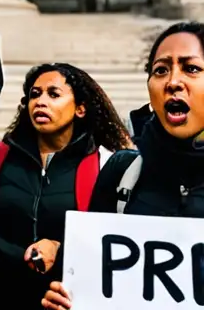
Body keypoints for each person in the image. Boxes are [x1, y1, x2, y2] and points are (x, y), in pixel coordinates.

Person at [43, 22, 204, 310]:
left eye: (191, 68)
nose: (173, 81)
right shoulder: (123, 173)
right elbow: (87, 275)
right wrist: (64, 297)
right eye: (160, 70)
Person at [0, 63, 130, 310]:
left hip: (62, 301)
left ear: (80, 109)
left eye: (54, 94)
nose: (40, 102)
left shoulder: (103, 163)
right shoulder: (1, 155)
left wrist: (59, 248)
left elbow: (111, 241)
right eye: (35, 94)